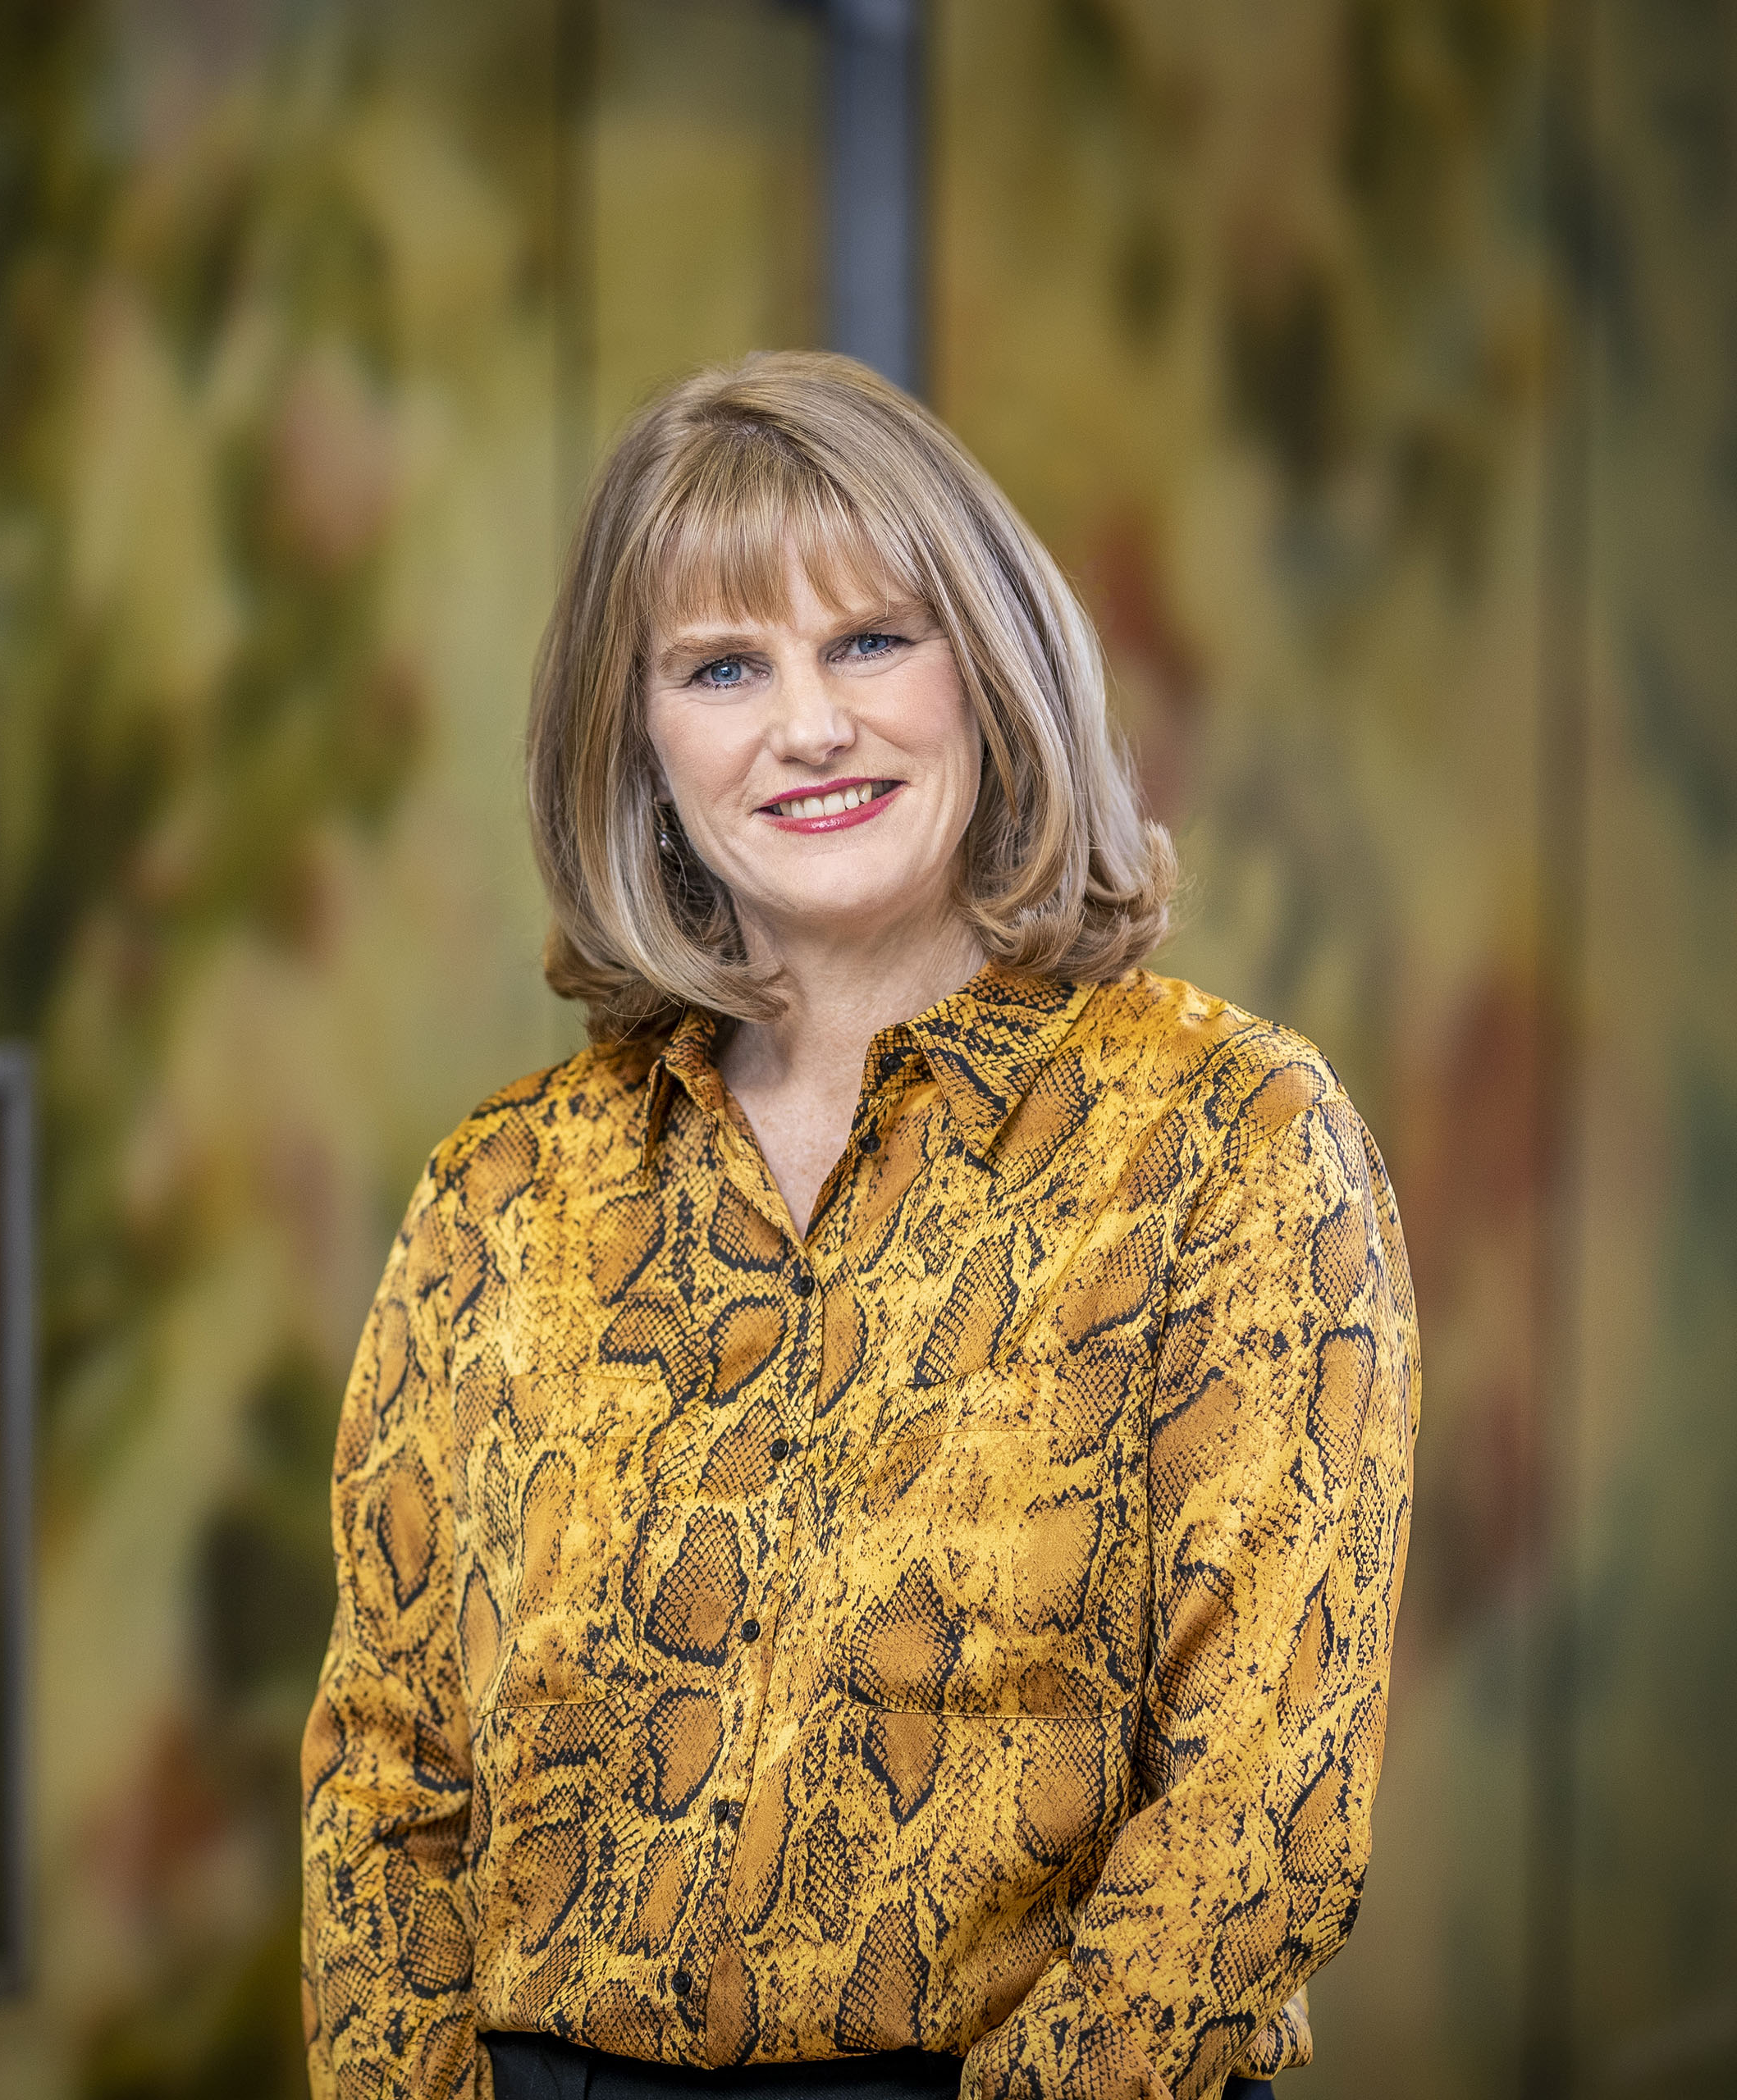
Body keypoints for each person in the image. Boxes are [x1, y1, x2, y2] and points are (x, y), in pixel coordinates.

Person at [298, 351, 1419, 2100]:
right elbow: (388, 1777)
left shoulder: (1230, 1142)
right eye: (724, 664)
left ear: (993, 663)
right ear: (642, 737)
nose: (808, 724)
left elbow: (1259, 1809)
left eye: (872, 640)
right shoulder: (502, 1195)